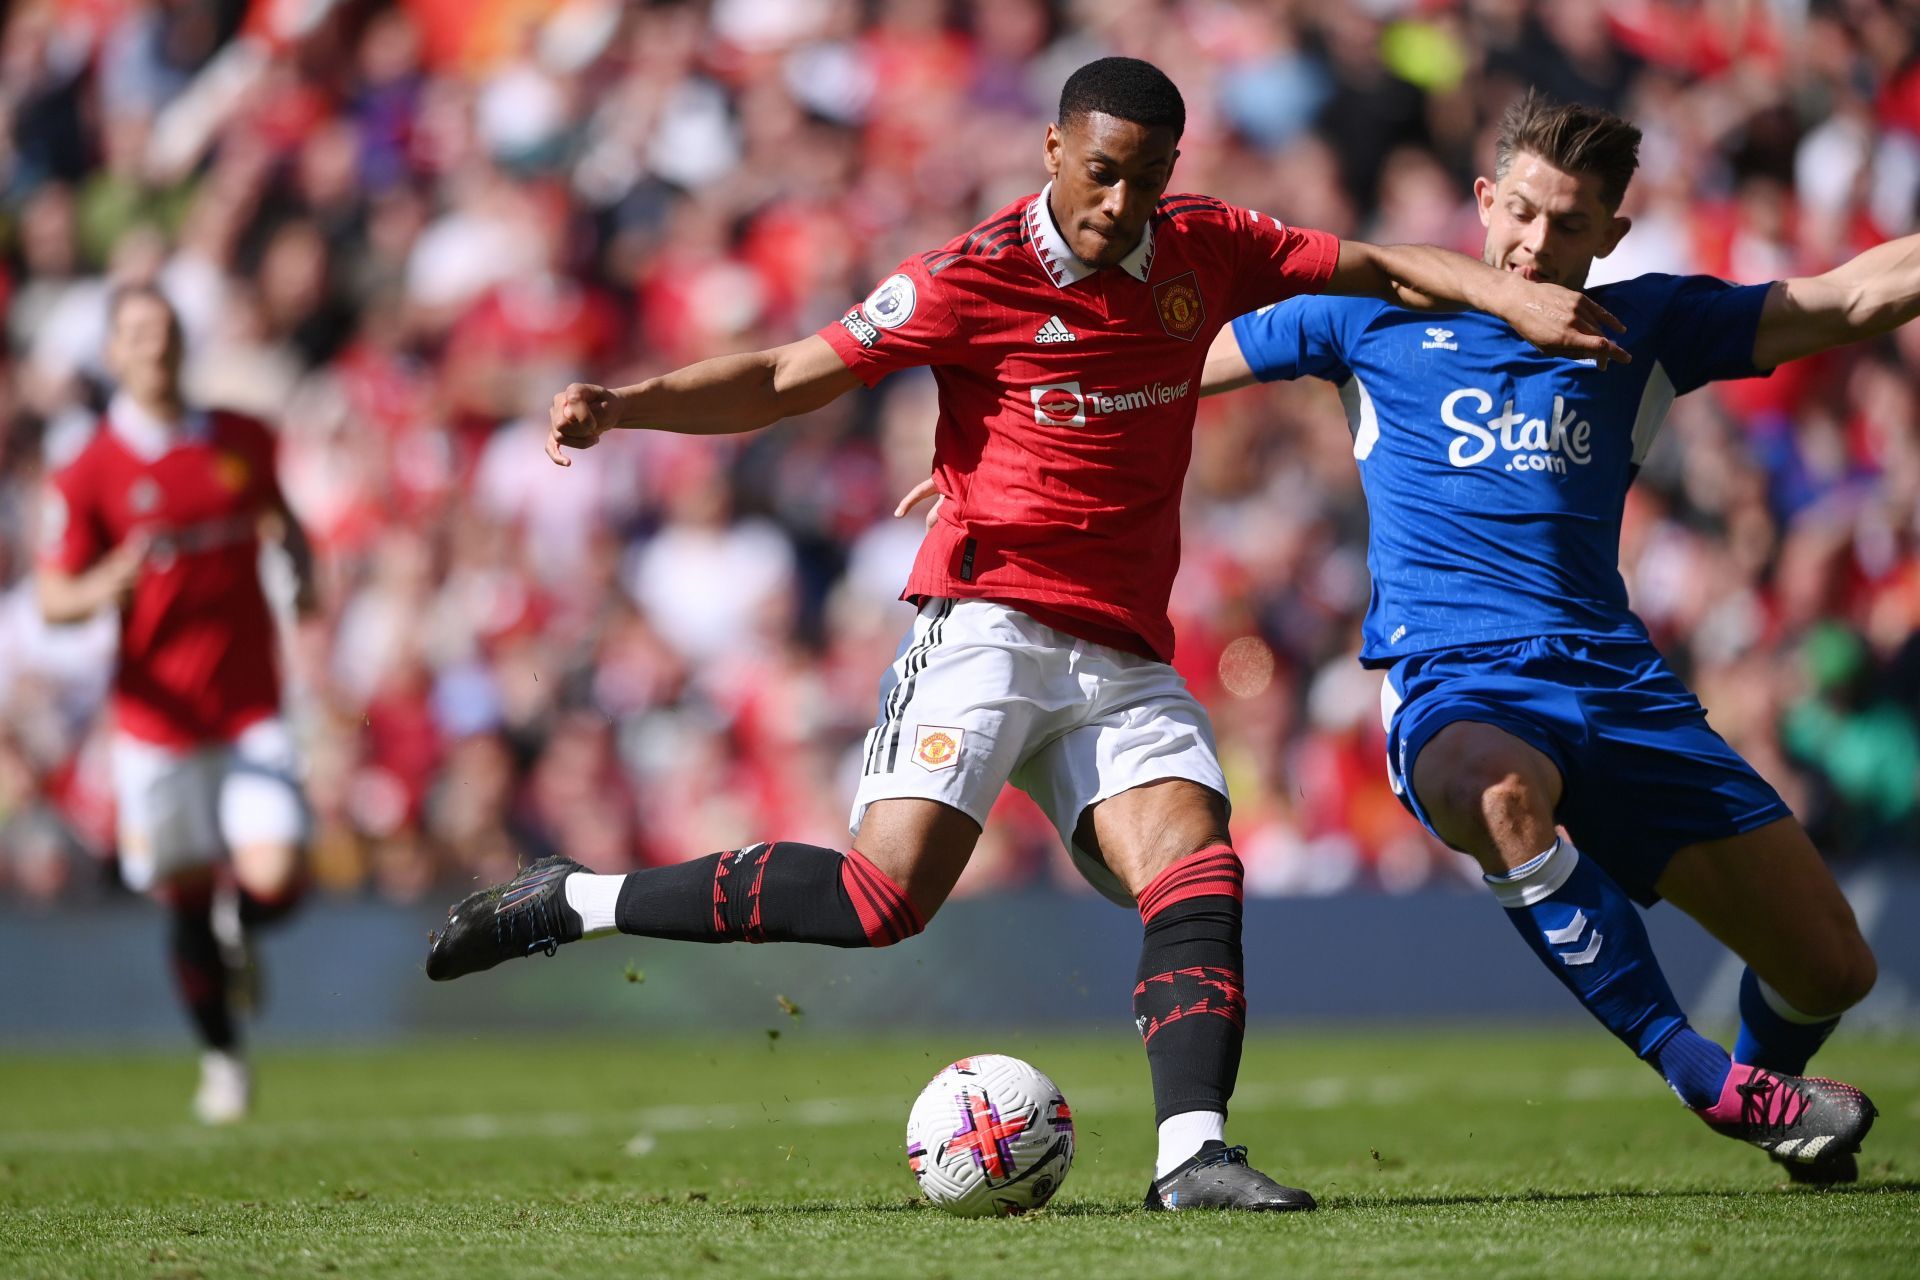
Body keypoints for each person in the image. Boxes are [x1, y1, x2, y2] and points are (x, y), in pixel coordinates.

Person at [423, 58, 1625, 1212]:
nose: (1122, 202)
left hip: (1125, 650)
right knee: (880, 899)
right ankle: (574, 898)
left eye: (1147, 178)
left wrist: (1504, 291)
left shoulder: (1208, 243)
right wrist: (627, 405)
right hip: (987, 620)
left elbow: (1376, 265)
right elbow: (791, 373)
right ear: (1053, 147)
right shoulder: (969, 273)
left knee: (1197, 862)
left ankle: (1192, 1152)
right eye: (1103, 171)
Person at [1199, 91, 1893, 1183]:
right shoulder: (1367, 313)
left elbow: (1851, 296)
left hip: (1617, 685)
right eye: (1519, 211)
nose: (1533, 242)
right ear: (1484, 199)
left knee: (1832, 966)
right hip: (1452, 680)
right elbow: (1170, 363)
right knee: (1495, 787)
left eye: (1568, 225)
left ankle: (1778, 1106)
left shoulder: (1647, 326)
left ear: (1611, 234)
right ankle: (1704, 1075)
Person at [36, 284, 319, 1124]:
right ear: (113, 353)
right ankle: (223, 1059)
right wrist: (101, 586)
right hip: (156, 724)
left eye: (163, 330)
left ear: (182, 343)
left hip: (246, 705)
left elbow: (282, 519)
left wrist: (302, 574)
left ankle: (244, 929)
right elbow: (53, 597)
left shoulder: (241, 438)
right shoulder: (89, 468)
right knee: (185, 896)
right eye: (134, 334)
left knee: (279, 876)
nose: (152, 346)